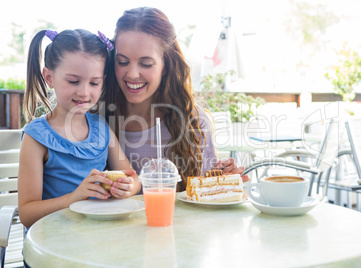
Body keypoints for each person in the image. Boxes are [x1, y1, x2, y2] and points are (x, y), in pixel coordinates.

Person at [100, 7, 249, 192]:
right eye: (122, 62)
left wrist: (219, 182)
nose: (132, 73)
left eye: (146, 64)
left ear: (166, 65)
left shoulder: (193, 122)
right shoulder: (94, 119)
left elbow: (201, 196)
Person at [18, 29, 141, 228]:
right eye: (73, 81)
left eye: (94, 83)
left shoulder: (102, 129)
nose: (84, 92)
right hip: (53, 245)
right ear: (49, 77)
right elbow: (27, 213)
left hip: (98, 238)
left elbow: (133, 178)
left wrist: (128, 188)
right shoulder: (36, 138)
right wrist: (75, 198)